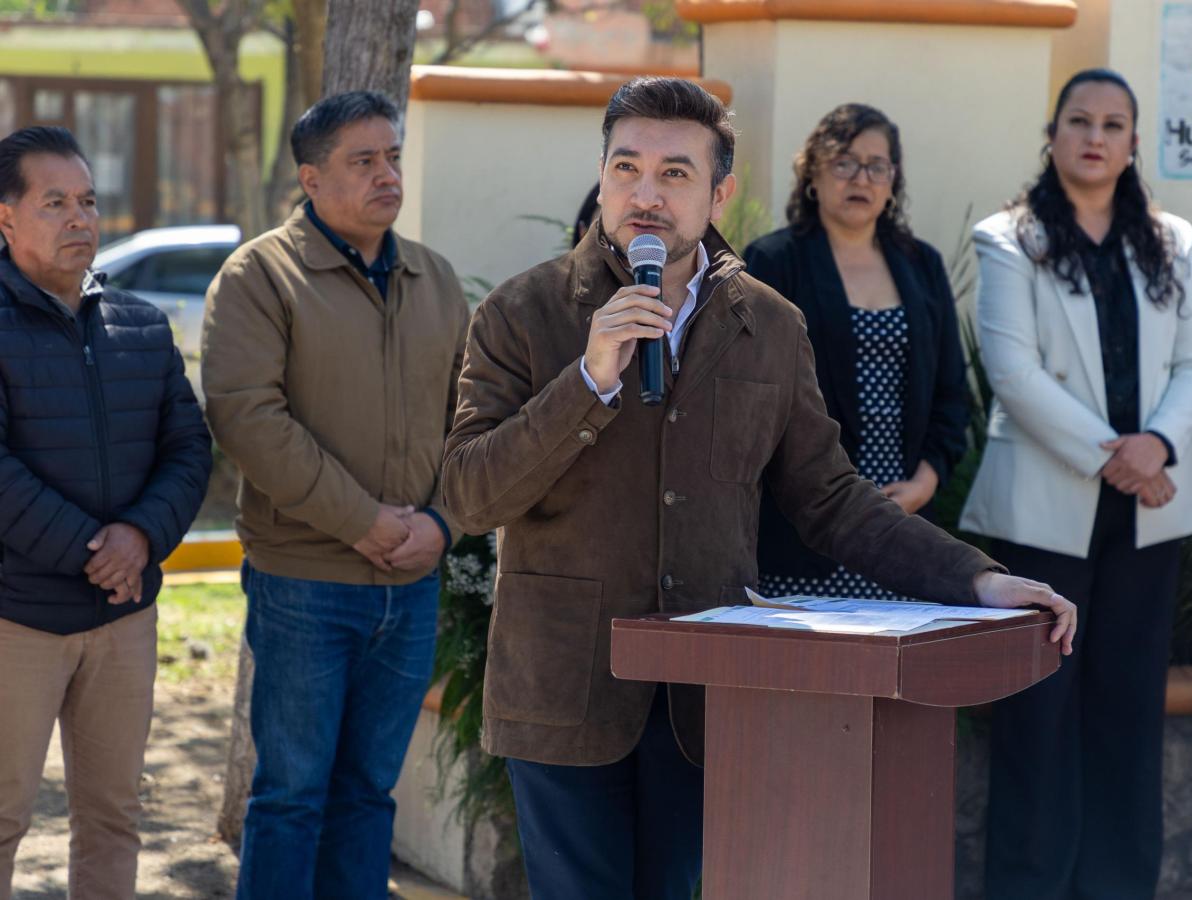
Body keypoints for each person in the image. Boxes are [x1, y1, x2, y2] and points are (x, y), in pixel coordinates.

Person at [441, 76, 1077, 900]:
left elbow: (831, 497)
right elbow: (470, 495)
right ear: (602, 178)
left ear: (719, 194)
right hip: (563, 683)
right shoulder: (522, 313)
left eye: (674, 173)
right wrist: (588, 380)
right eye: (627, 168)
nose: (645, 194)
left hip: (707, 695)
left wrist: (979, 580)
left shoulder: (769, 324)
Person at [201, 91, 468, 900]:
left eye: (393, 157)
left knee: (367, 796)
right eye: (364, 161)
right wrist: (363, 523)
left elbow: (472, 419)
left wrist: (442, 523)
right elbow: (248, 419)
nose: (388, 175)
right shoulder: (260, 276)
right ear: (311, 179)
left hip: (411, 582)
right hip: (305, 584)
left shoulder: (434, 278)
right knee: (291, 798)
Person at [959, 68, 1192, 899]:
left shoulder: (1175, 241)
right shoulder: (1008, 237)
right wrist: (1117, 457)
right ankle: (1028, 885)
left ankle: (1118, 886)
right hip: (1044, 511)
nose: (1095, 136)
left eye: (1113, 124)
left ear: (1133, 142)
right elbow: (1013, 373)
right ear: (1053, 133)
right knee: (1038, 714)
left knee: (1128, 712)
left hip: (1150, 512)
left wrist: (1159, 444)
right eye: (1079, 121)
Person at [0, 126, 211, 900]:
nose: (79, 218)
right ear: (5, 217)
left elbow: (188, 449)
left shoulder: (142, 325)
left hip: (124, 620)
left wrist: (141, 536)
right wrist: (99, 549)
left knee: (114, 818)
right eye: (54, 202)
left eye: (87, 201)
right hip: (16, 618)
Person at [744, 104, 969, 600]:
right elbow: (751, 397)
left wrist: (927, 480)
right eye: (843, 162)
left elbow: (952, 394)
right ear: (813, 174)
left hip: (904, 523)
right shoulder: (773, 261)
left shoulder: (923, 266)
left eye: (876, 166)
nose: (860, 178)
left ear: (892, 181)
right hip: (801, 530)